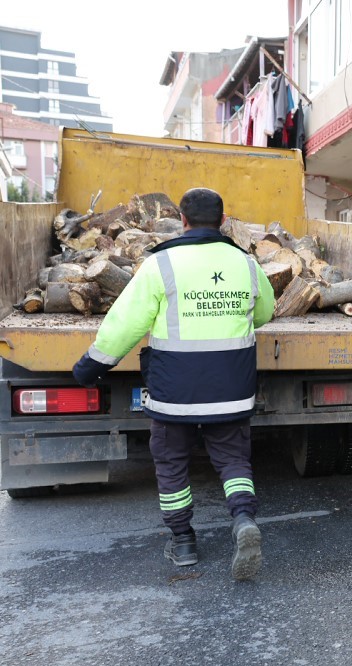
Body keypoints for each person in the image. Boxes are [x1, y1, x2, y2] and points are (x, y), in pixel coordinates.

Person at [72, 188, 275, 581]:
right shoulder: (246, 263)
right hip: (231, 389)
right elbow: (263, 312)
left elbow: (126, 324)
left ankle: (182, 542)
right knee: (234, 460)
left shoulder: (160, 265)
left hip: (173, 394)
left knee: (170, 463)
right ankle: (244, 519)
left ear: (182, 219)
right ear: (223, 219)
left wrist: (90, 368)